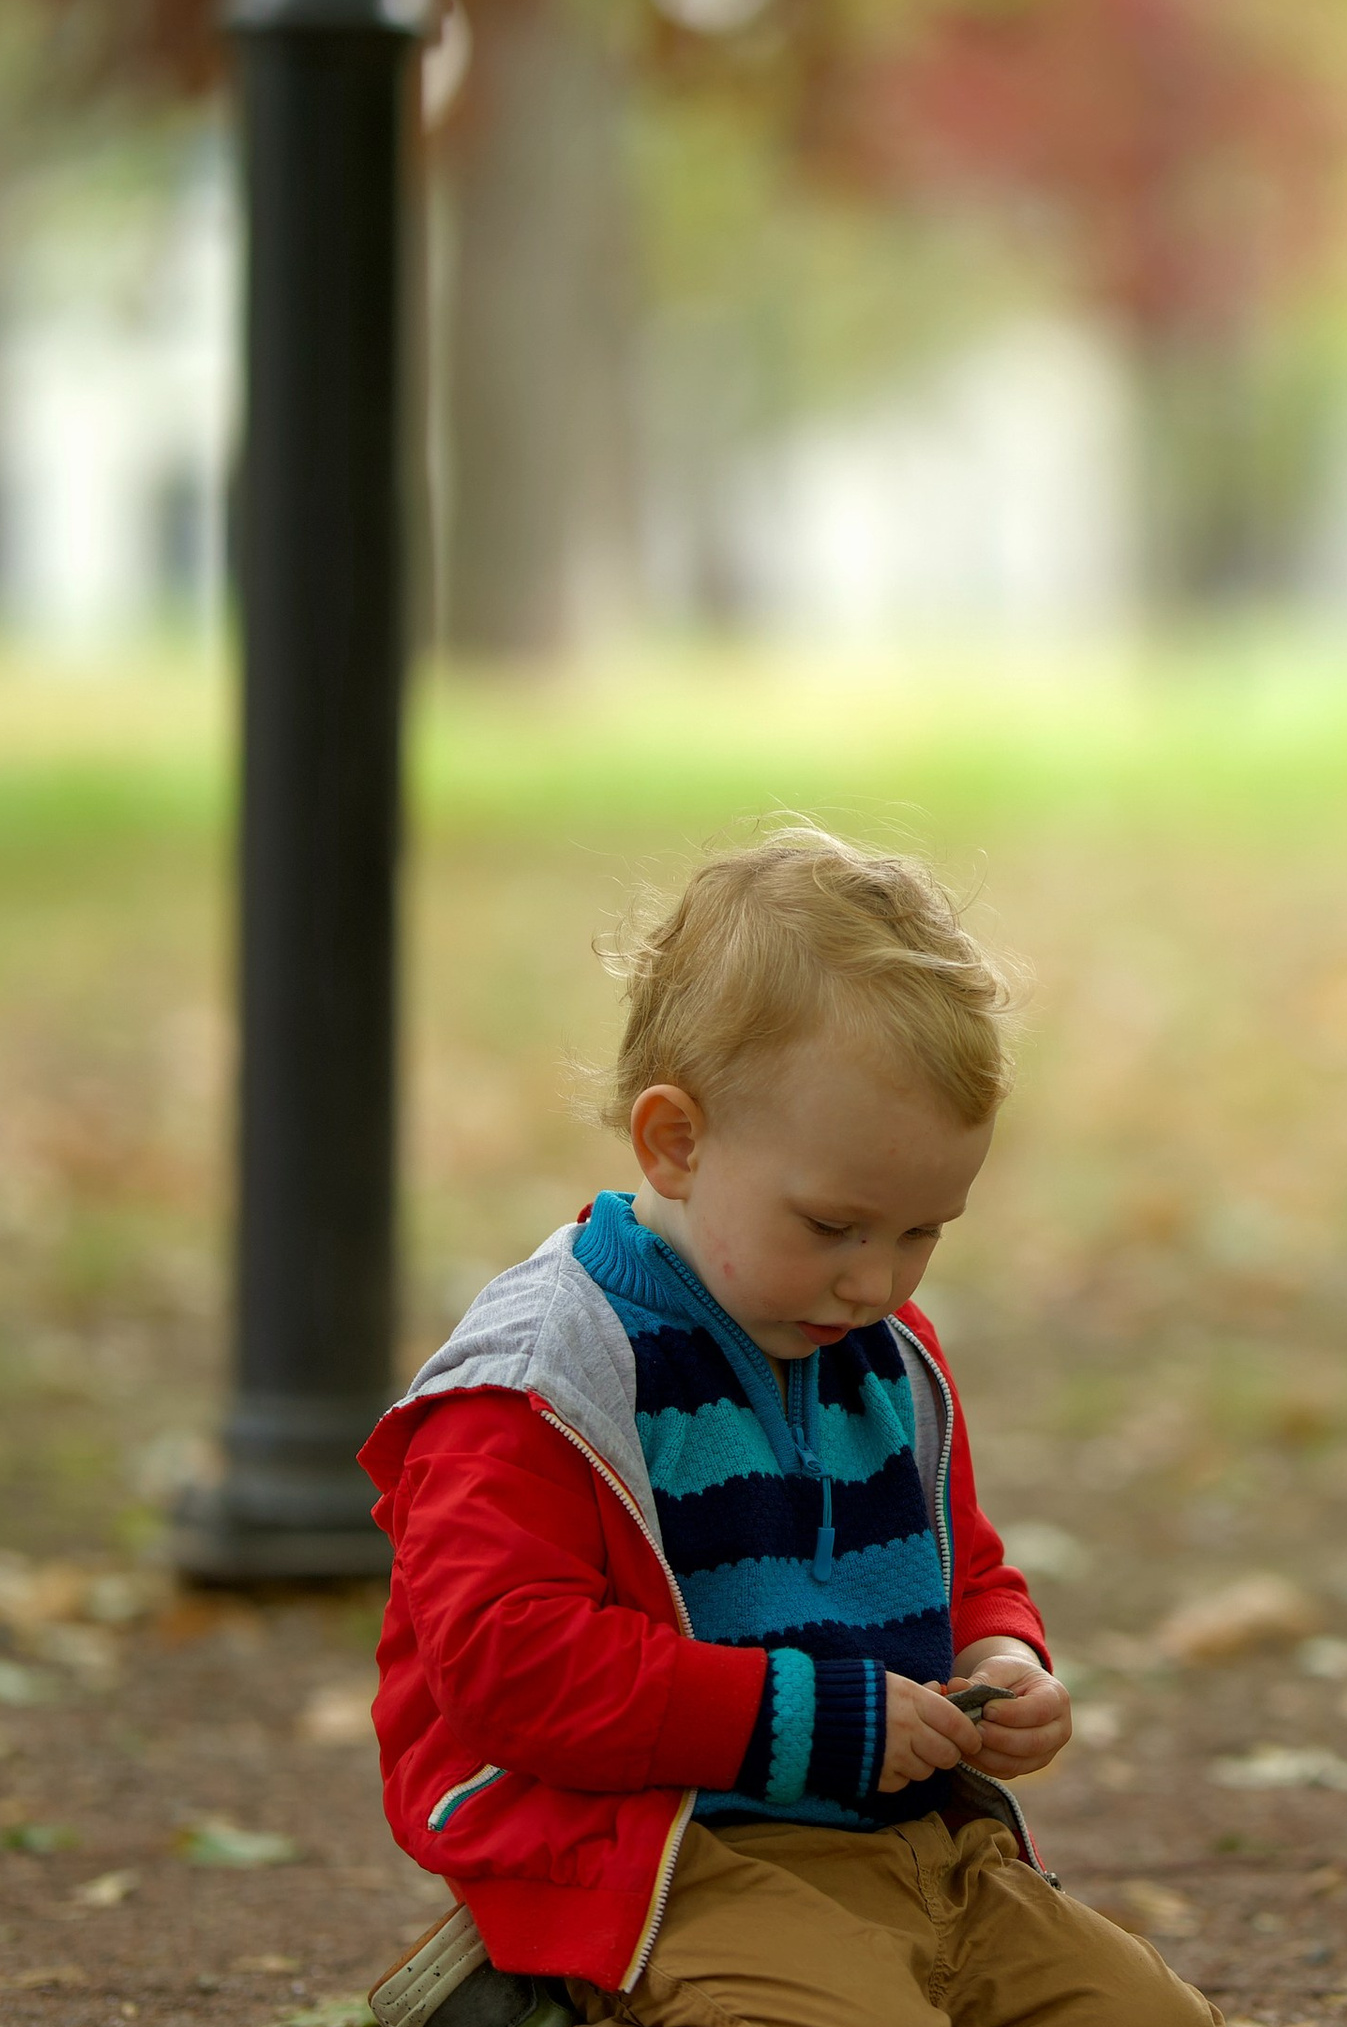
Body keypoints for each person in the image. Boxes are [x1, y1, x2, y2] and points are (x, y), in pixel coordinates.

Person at [361, 827, 1217, 2027]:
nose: (877, 1279)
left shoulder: (881, 1353)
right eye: (832, 1226)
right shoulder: (543, 1377)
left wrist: (1002, 1657)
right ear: (676, 1141)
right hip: (671, 1860)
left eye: (921, 1233)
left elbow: (962, 1565)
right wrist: (807, 1718)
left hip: (919, 1849)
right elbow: (508, 1663)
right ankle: (539, 1993)